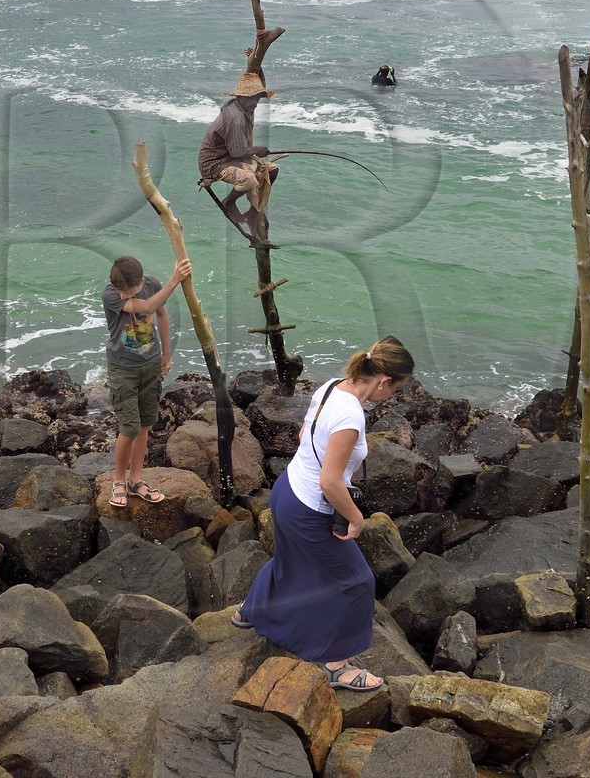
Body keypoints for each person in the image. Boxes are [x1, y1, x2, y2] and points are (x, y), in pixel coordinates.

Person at [233, 335, 415, 692]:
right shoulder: (351, 418)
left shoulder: (332, 387)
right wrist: (356, 517)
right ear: (383, 381)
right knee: (357, 583)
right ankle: (336, 665)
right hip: (308, 508)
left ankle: (248, 612)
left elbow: (305, 434)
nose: (391, 397)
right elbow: (332, 482)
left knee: (288, 558)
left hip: (287, 490)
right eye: (395, 390)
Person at [102, 254, 192, 507]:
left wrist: (166, 353)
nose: (123, 296)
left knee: (144, 425)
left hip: (150, 365)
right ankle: (118, 480)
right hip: (123, 369)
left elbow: (162, 316)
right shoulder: (109, 295)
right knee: (128, 427)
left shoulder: (152, 284)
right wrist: (175, 279)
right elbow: (147, 308)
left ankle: (136, 479)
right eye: (121, 292)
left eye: (128, 292)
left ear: (141, 282)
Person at [198, 73, 279, 241]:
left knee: (271, 170)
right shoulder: (235, 119)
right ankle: (228, 202)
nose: (254, 103)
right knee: (249, 179)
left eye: (257, 98)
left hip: (230, 156)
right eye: (250, 98)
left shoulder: (242, 108)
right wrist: (257, 150)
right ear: (239, 97)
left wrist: (257, 60)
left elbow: (260, 83)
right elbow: (237, 152)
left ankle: (252, 212)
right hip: (215, 162)